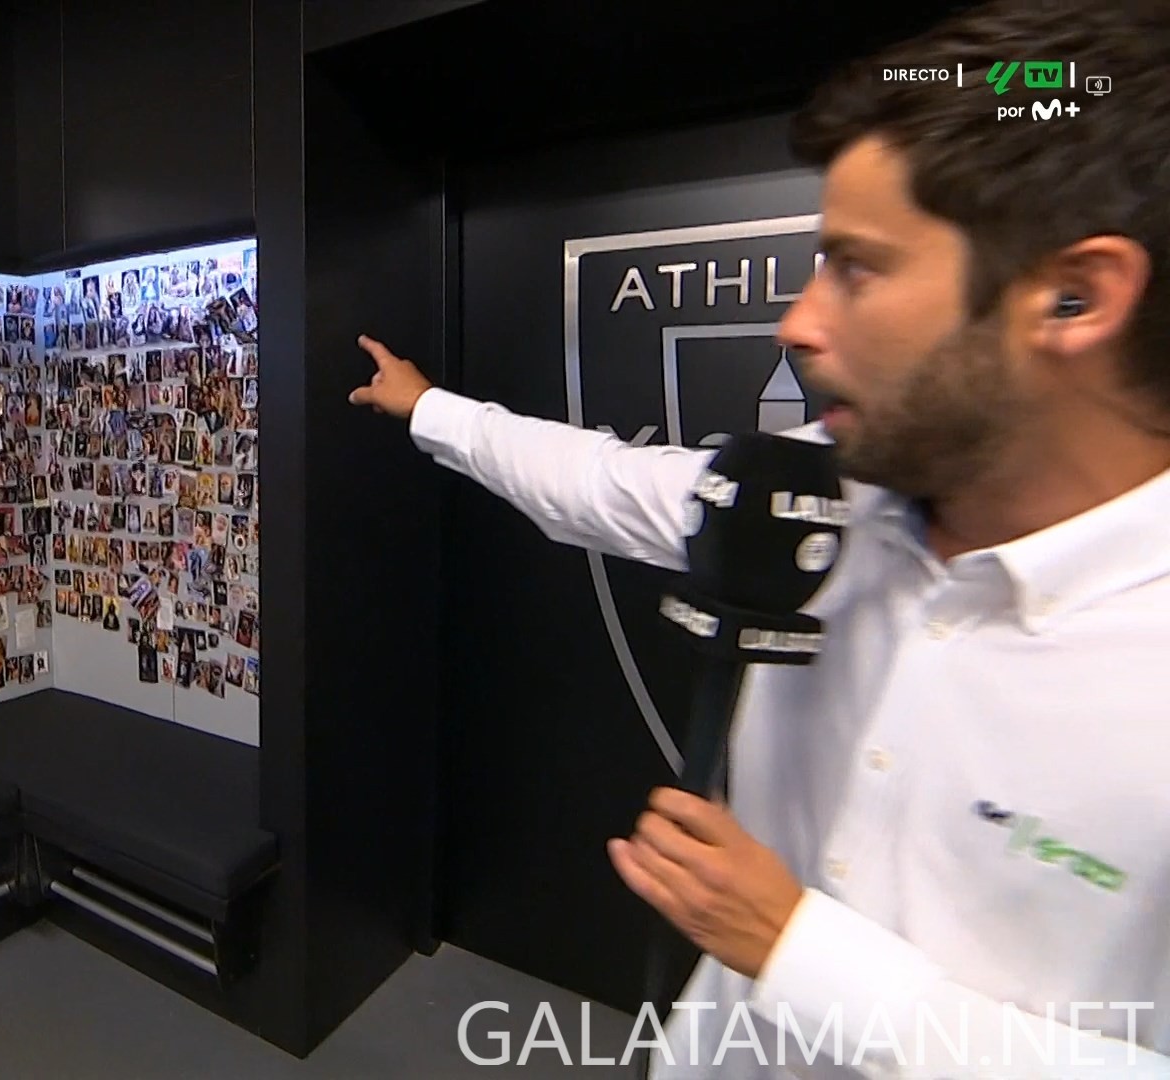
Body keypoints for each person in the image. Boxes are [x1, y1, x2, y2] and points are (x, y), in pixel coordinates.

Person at [349, 2, 1167, 1076]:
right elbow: (599, 483)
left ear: (1073, 297)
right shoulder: (818, 505)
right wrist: (428, 408)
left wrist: (798, 951)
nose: (799, 324)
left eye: (857, 268)